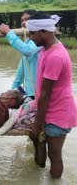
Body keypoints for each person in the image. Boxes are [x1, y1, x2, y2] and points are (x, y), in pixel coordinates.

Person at [27, 11, 77, 179]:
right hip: (48, 110)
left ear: (43, 32)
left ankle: (55, 181)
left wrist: (37, 125)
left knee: (54, 156)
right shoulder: (44, 50)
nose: (29, 37)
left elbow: (45, 95)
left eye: (32, 33)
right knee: (42, 150)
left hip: (58, 114)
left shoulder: (55, 56)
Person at [0, 9, 40, 99]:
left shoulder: (39, 42)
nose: (24, 23)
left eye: (27, 19)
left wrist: (9, 33)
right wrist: (8, 95)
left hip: (40, 94)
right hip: (30, 95)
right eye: (22, 20)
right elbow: (19, 77)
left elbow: (28, 51)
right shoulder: (27, 44)